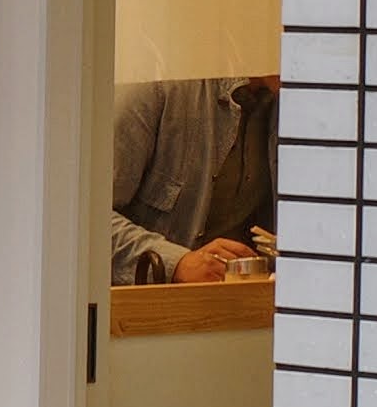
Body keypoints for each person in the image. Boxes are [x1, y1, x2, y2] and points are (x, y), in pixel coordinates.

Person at [113, 74, 280, 284]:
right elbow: (85, 221)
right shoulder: (158, 85)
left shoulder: (287, 104)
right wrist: (178, 264)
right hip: (146, 307)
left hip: (240, 304)